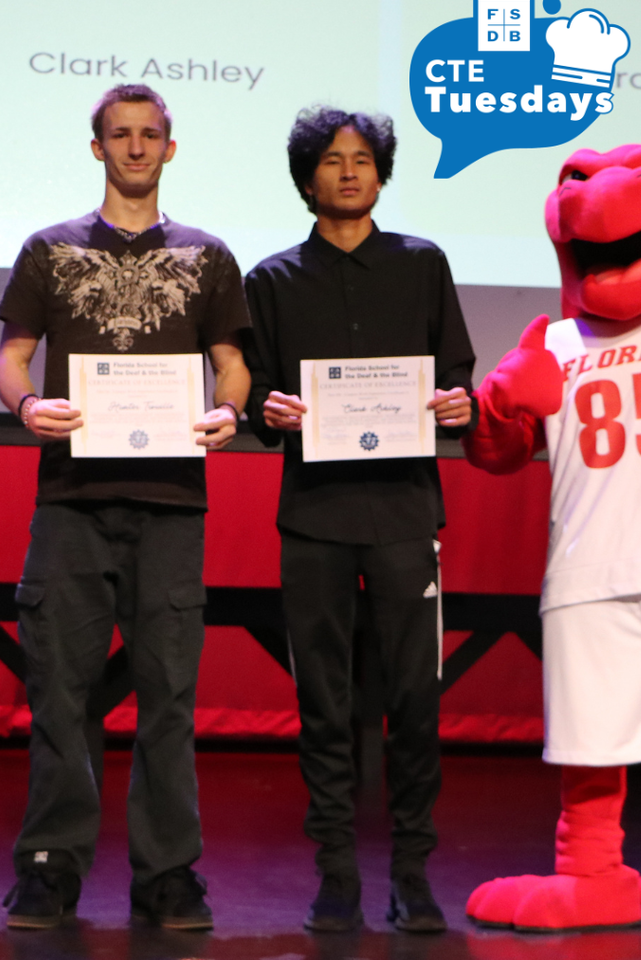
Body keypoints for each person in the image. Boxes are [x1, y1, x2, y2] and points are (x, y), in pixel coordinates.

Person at [0, 84, 250, 931]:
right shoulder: (49, 248)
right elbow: (12, 358)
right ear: (96, 146)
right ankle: (48, 869)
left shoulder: (209, 254)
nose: (135, 148)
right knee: (60, 692)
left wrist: (229, 409)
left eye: (150, 136)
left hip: (173, 502)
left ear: (170, 150)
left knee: (169, 697)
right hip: (70, 498)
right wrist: (28, 409)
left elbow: (230, 363)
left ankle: (169, 877)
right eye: (120, 136)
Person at [243, 108, 476, 933]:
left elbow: (457, 377)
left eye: (363, 159)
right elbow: (255, 394)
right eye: (333, 161)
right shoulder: (270, 279)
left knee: (415, 698)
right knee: (325, 703)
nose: (349, 171)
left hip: (407, 511)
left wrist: (458, 402)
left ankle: (412, 871)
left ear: (381, 173)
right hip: (313, 516)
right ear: (307, 178)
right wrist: (266, 409)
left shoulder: (422, 264)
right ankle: (335, 872)